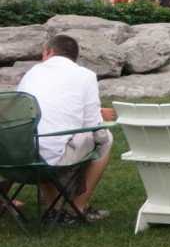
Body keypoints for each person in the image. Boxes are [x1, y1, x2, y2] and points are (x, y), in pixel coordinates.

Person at [16, 34, 114, 223]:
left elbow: (21, 111)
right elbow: (92, 124)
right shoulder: (85, 75)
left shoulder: (32, 73)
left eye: (42, 53)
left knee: (42, 134)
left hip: (15, 158)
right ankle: (78, 208)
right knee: (106, 138)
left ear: (50, 53)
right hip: (50, 159)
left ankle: (55, 207)